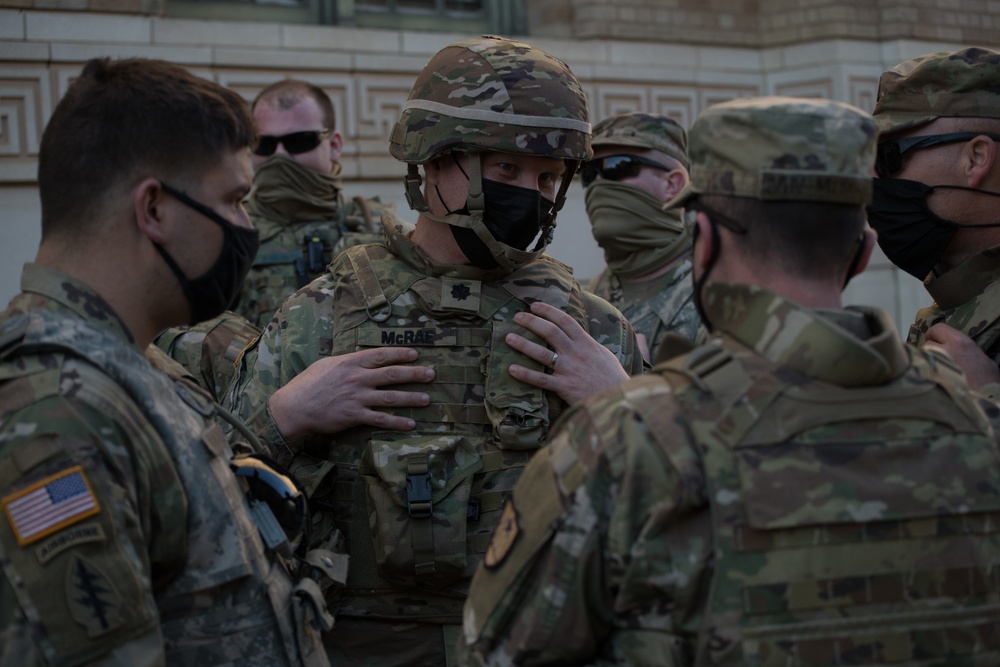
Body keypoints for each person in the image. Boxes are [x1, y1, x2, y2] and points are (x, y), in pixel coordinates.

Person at [460, 96, 1000, 665]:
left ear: (706, 241)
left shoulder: (625, 440)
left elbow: (499, 653)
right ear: (863, 252)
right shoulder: (978, 418)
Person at [0, 56, 433, 666]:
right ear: (153, 209)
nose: (246, 225)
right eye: (233, 200)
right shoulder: (58, 413)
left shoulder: (129, 368)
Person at [226, 35, 643, 666]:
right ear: (433, 161)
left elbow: (671, 519)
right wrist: (285, 418)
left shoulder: (590, 328)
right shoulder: (324, 313)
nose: (529, 194)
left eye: (548, 177)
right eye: (505, 170)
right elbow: (217, 499)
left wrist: (624, 408)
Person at [867, 47, 1000, 386]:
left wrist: (982, 397)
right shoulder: (954, 303)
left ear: (976, 158)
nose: (873, 179)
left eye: (888, 158)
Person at [235, 78, 398, 328]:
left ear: (334, 145)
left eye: (300, 141)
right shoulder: (229, 234)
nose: (279, 156)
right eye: (264, 144)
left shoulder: (384, 230)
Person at [582, 112, 702, 364]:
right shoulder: (586, 297)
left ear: (673, 184)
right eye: (589, 173)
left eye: (618, 166)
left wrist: (627, 390)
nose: (598, 184)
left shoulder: (716, 298)